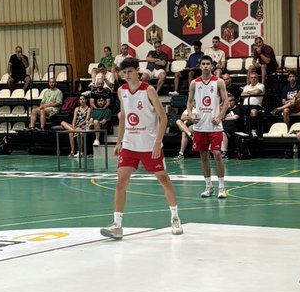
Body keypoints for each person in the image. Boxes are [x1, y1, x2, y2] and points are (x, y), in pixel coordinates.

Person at [100, 56, 182, 239]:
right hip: (130, 144)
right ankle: (117, 225)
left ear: (138, 71)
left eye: (130, 71)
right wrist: (119, 141)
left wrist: (157, 142)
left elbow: (163, 118)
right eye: (124, 72)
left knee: (163, 179)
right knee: (121, 181)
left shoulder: (149, 90)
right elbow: (123, 117)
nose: (127, 75)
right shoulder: (122, 91)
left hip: (149, 144)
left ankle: (175, 217)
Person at [187, 55, 230, 199]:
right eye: (203, 64)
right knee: (203, 156)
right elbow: (189, 102)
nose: (205, 66)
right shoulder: (194, 83)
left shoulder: (219, 82)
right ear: (200, 66)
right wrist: (191, 115)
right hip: (200, 126)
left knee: (217, 154)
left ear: (212, 66)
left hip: (214, 126)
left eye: (208, 64)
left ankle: (222, 187)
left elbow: (226, 102)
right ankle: (208, 186)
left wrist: (219, 117)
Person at [60, 93, 92, 157]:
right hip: (76, 126)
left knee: (71, 133)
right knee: (62, 123)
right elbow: (74, 119)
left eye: (83, 99)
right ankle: (72, 151)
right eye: (80, 99)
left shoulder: (88, 109)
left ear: (85, 100)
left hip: (83, 126)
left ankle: (79, 151)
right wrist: (74, 126)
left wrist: (80, 124)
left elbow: (87, 119)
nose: (82, 101)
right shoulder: (77, 109)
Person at [240, 67, 265, 133]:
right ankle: (241, 130)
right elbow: (242, 95)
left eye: (255, 77)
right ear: (249, 79)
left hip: (256, 106)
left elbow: (257, 92)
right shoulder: (246, 86)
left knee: (253, 112)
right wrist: (251, 92)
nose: (253, 79)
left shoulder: (261, 85)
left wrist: (247, 92)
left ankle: (253, 130)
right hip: (245, 106)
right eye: (252, 78)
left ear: (258, 78)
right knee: (236, 112)